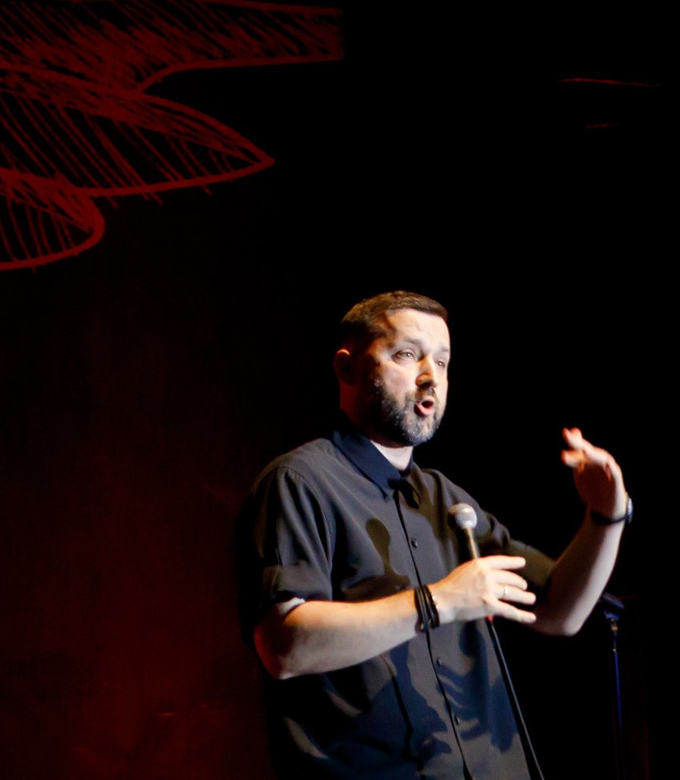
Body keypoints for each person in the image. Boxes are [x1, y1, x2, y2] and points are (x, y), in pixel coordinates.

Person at [236, 291, 632, 778]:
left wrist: (606, 516)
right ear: (347, 369)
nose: (431, 376)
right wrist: (437, 602)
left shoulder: (447, 501)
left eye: (442, 362)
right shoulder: (300, 483)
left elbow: (559, 611)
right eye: (407, 354)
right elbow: (285, 646)